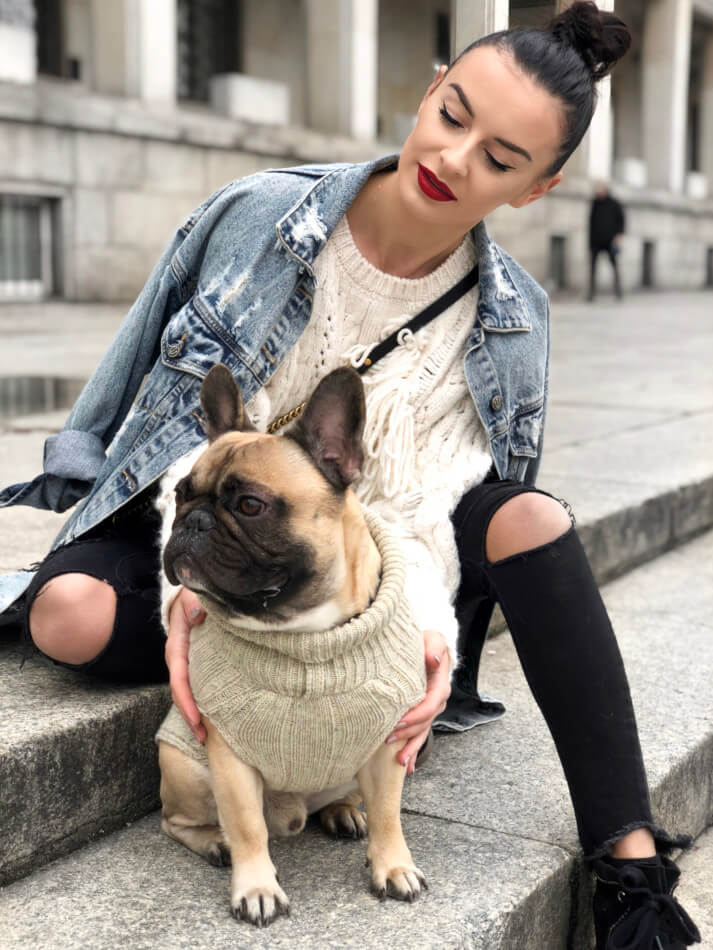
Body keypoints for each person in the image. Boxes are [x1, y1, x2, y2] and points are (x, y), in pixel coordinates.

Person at [0, 3, 700, 947]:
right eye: (453, 116)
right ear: (429, 90)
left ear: (538, 188)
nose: (454, 160)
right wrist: (170, 591)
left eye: (500, 160)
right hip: (204, 501)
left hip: (375, 554)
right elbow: (146, 405)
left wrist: (415, 645)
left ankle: (628, 865)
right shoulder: (257, 214)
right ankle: (253, 662)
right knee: (66, 618)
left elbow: (431, 508)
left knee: (531, 515)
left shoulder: (513, 317)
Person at [588, 181, 625, 300]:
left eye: (600, 188)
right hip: (596, 241)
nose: (598, 191)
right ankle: (591, 294)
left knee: (614, 267)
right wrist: (589, 243)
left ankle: (618, 292)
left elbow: (621, 221)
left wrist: (618, 237)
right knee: (593, 268)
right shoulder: (595, 203)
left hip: (610, 241)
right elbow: (591, 223)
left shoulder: (614, 203)